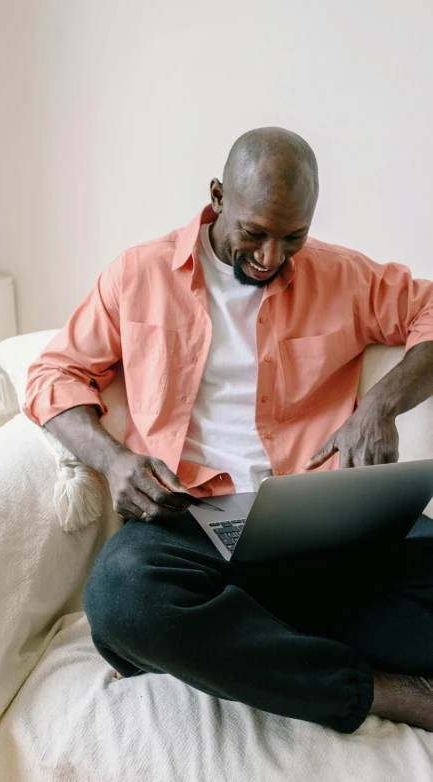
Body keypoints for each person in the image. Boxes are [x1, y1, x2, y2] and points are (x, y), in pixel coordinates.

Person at [23, 127, 433, 734]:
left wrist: (379, 406)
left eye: (292, 237)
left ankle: (240, 641)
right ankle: (379, 692)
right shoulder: (138, 275)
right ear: (218, 197)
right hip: (190, 522)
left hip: (324, 524)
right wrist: (111, 460)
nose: (271, 257)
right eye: (254, 233)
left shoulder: (342, 276)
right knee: (122, 601)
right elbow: (53, 375)